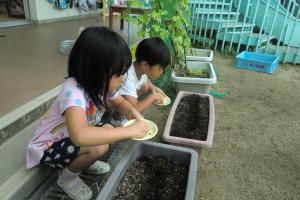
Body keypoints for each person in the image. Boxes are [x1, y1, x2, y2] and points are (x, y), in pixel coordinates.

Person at [26, 27, 149, 200]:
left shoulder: (102, 85)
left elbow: (120, 102)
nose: (123, 78)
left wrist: (135, 115)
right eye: (119, 73)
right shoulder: (73, 92)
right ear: (96, 70)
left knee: (106, 129)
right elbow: (80, 136)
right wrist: (130, 131)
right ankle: (67, 178)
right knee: (100, 145)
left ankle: (85, 160)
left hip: (71, 135)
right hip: (50, 145)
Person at [110, 37, 171, 126]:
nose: (161, 73)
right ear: (145, 64)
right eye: (160, 69)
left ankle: (127, 108)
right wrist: (153, 97)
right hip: (112, 103)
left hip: (118, 99)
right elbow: (136, 109)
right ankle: (117, 117)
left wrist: (153, 87)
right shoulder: (127, 77)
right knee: (137, 105)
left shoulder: (140, 68)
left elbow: (146, 80)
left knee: (146, 85)